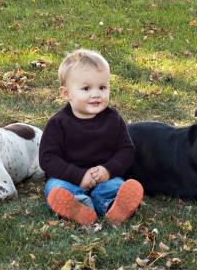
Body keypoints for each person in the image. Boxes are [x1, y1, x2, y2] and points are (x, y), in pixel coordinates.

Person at [39, 49, 143, 225]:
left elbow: (126, 151)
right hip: (70, 181)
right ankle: (79, 206)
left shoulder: (113, 120)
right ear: (66, 94)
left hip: (103, 179)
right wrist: (78, 176)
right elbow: (48, 159)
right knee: (54, 187)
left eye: (102, 87)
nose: (96, 94)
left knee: (117, 185)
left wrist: (108, 170)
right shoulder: (58, 124)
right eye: (86, 88)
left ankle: (112, 207)